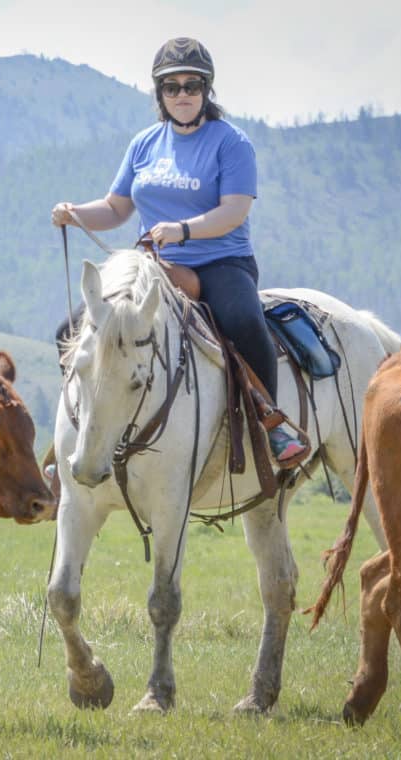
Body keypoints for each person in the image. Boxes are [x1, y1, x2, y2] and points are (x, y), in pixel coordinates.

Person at [50, 36, 306, 465]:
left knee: (244, 320)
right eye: (172, 87)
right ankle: (79, 428)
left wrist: (182, 230)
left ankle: (269, 423)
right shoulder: (144, 144)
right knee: (69, 332)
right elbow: (115, 208)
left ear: (206, 90)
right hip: (156, 267)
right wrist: (75, 213)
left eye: (192, 85)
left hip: (222, 261)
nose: (182, 94)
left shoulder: (232, 143)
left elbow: (234, 212)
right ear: (160, 94)